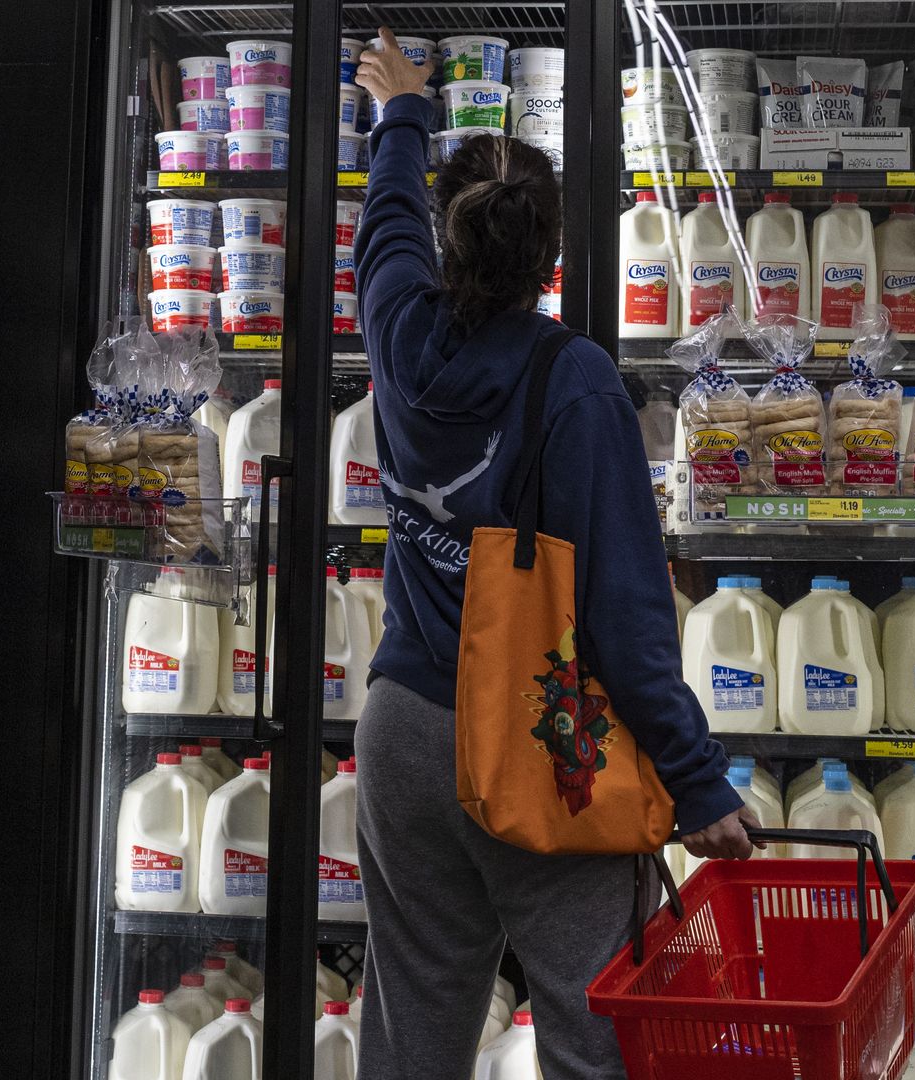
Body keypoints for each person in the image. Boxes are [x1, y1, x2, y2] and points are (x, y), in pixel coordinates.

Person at [352, 30, 756, 1079]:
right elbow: (624, 619)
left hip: (402, 732)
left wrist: (402, 111)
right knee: (596, 1032)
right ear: (555, 259)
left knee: (413, 1027)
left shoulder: (397, 330)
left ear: (449, 247)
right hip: (535, 736)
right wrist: (700, 786)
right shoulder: (574, 383)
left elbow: (383, 223)